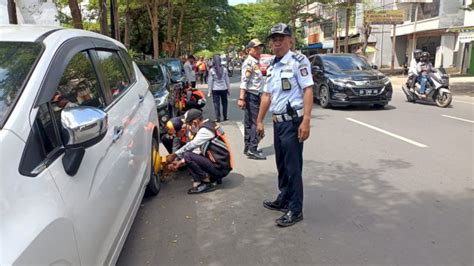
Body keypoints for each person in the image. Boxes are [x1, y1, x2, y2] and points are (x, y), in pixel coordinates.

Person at [256, 23, 314, 227]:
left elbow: (308, 90)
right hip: (278, 123)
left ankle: (295, 209)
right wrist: (259, 120)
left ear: (290, 41)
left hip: (293, 122)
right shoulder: (271, 65)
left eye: (281, 38)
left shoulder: (299, 61)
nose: (277, 42)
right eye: (273, 39)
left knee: (293, 167)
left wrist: (306, 120)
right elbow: (266, 95)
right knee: (281, 164)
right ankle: (284, 198)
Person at [166, 109, 233, 194]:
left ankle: (206, 183)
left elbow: (192, 145)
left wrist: (175, 154)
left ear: (195, 123)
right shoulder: (209, 124)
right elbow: (196, 152)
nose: (189, 128)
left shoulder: (205, 131)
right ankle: (214, 177)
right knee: (189, 156)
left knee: (187, 155)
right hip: (222, 165)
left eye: (189, 125)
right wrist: (180, 163)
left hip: (220, 168)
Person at [238, 38, 266, 160]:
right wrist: (241, 98)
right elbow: (244, 81)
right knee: (255, 122)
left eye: (260, 48)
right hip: (252, 96)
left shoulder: (255, 62)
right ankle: (252, 148)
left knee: (249, 123)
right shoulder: (249, 63)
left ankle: (248, 147)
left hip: (254, 95)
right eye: (256, 48)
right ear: (249, 50)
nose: (259, 50)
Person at [208, 54, 230, 122]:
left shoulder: (211, 70)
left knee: (216, 104)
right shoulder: (225, 69)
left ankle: (218, 118)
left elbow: (210, 81)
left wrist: (209, 91)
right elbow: (227, 80)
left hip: (215, 89)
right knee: (225, 103)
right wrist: (228, 89)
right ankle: (225, 117)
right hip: (224, 89)